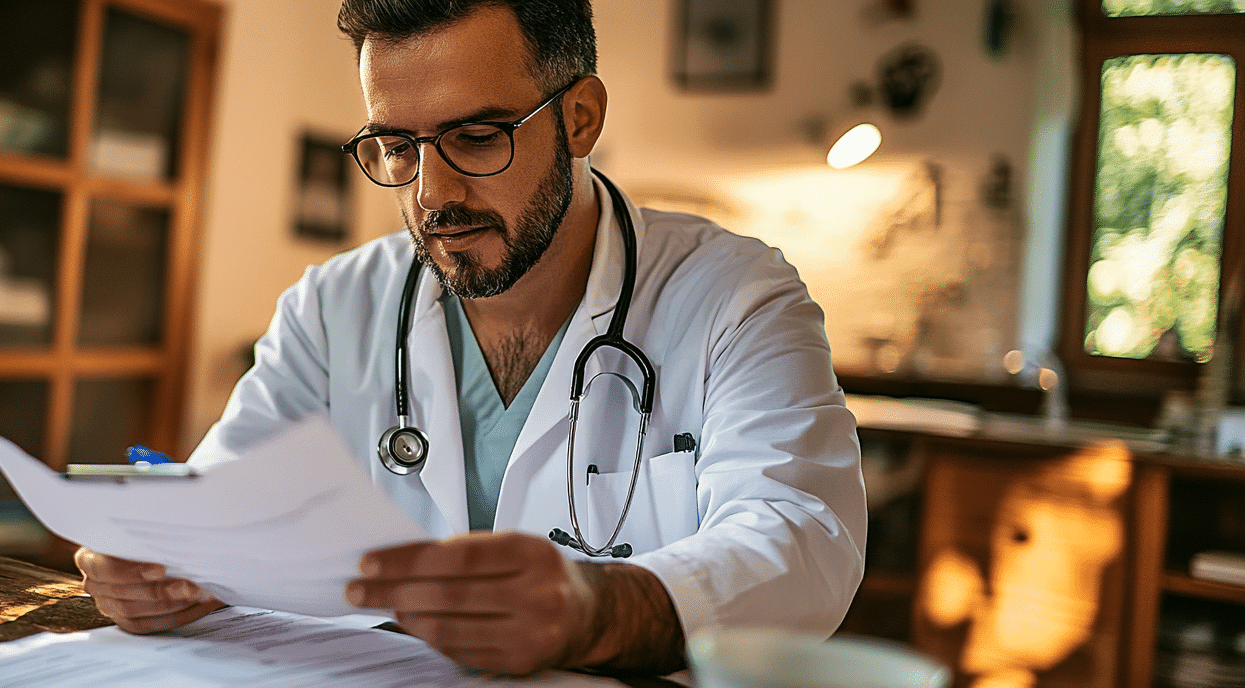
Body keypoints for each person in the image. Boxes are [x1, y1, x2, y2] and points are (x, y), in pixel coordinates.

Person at [77, 0, 865, 678]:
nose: (432, 194)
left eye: (478, 136)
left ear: (580, 117)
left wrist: (598, 611)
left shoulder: (735, 297)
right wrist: (165, 562)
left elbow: (803, 542)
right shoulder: (332, 307)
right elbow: (224, 504)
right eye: (397, 146)